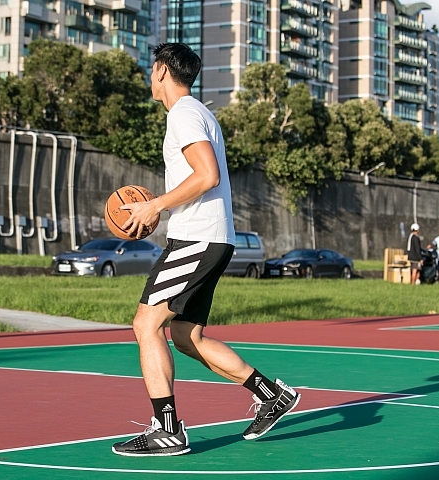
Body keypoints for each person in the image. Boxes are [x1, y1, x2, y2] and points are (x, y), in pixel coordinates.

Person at [113, 43, 300, 457]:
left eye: (151, 68)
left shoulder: (183, 113)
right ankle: (272, 395)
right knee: (184, 334)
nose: (150, 75)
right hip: (212, 238)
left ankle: (167, 430)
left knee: (145, 325)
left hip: (197, 239)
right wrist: (164, 208)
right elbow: (204, 176)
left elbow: (208, 174)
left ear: (162, 70)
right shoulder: (196, 112)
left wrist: (155, 204)